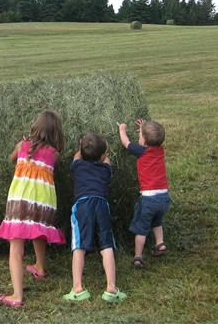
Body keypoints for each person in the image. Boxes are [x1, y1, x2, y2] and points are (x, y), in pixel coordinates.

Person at [0, 110, 66, 308]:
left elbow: (12, 158)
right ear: (56, 133)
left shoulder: (22, 146)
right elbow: (53, 164)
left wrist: (21, 146)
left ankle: (17, 295)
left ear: (35, 128)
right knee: (38, 231)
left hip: (20, 200)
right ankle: (40, 267)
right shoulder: (55, 154)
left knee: (16, 247)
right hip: (43, 202)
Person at [62, 133, 127, 303]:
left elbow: (78, 155)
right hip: (101, 205)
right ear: (103, 155)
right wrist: (105, 153)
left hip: (82, 206)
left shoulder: (77, 166)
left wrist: (81, 147)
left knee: (79, 246)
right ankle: (111, 288)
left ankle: (78, 289)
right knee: (106, 245)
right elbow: (106, 160)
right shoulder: (105, 169)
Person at [118, 118, 170, 269]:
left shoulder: (141, 151)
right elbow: (150, 139)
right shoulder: (160, 150)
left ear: (145, 142)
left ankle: (138, 256)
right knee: (157, 221)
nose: (138, 138)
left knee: (141, 228)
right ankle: (160, 243)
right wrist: (144, 129)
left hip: (148, 199)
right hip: (164, 197)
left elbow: (126, 143)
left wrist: (122, 130)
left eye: (140, 136)